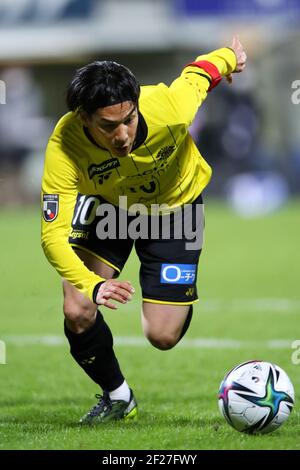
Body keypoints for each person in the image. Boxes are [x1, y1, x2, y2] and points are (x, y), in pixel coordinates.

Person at [41, 35, 246, 424]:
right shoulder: (63, 147)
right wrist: (92, 285)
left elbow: (200, 72)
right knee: (77, 309)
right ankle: (119, 398)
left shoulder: (169, 107)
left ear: (137, 106)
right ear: (83, 118)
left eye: (128, 120)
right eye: (108, 126)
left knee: (162, 336)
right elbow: (52, 236)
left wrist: (231, 57)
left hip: (176, 210)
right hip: (110, 210)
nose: (122, 136)